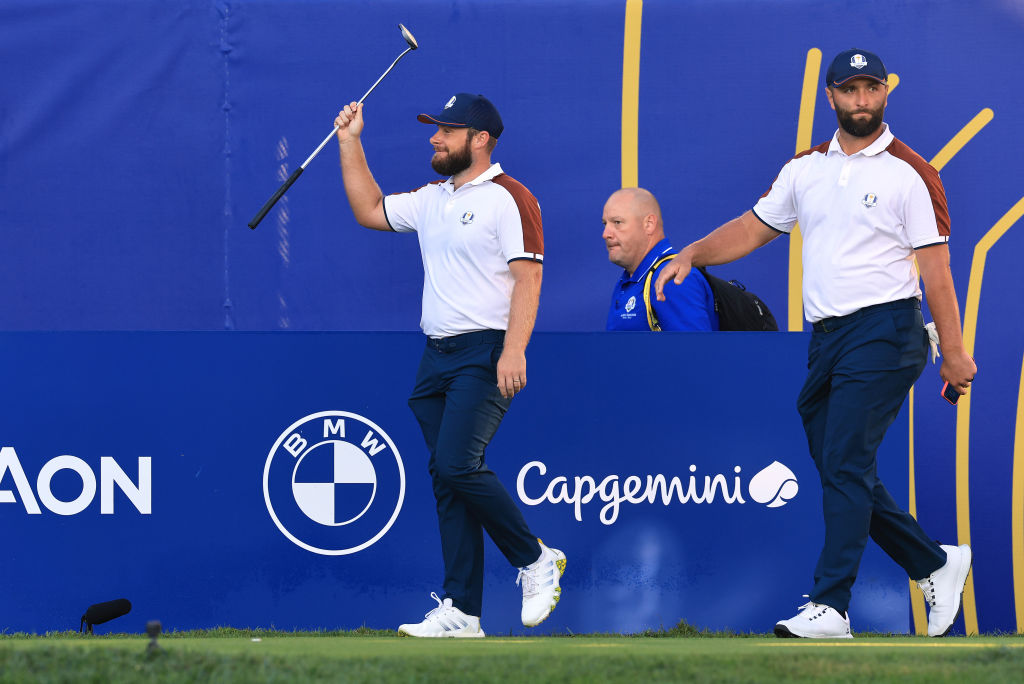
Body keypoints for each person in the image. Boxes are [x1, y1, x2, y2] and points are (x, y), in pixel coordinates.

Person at [655, 48, 977, 638]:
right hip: (827, 337)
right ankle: (933, 562)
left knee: (846, 461)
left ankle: (831, 605)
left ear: (885, 94)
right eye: (850, 90)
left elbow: (936, 272)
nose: (861, 100)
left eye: (871, 89)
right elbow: (755, 227)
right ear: (830, 96)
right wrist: (695, 252)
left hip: (887, 331)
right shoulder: (805, 168)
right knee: (839, 464)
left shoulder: (913, 172)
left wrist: (954, 353)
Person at [333, 93, 565, 638]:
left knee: (458, 464)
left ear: (480, 139)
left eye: (447, 130)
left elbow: (528, 278)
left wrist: (514, 349)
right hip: (435, 357)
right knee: (447, 478)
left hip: (485, 352)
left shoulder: (511, 198)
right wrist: (350, 142)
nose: (435, 138)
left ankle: (534, 558)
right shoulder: (433, 197)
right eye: (435, 129)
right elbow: (369, 210)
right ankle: (462, 611)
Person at [602, 188, 718, 331]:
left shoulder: (673, 278)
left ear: (649, 224)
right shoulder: (630, 280)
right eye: (605, 224)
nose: (605, 234)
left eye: (617, 222)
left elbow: (695, 351)